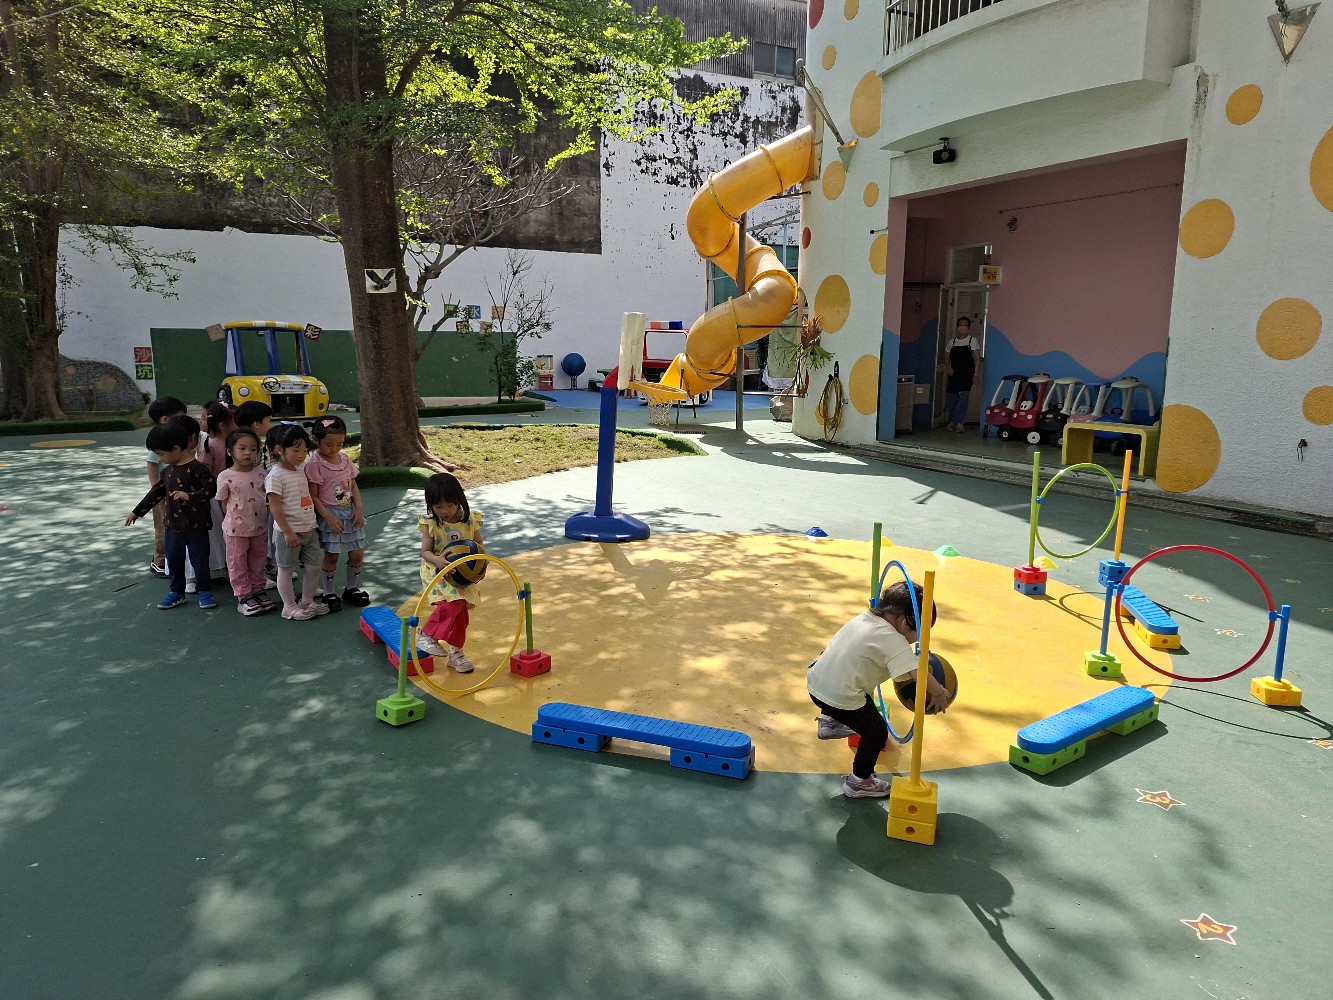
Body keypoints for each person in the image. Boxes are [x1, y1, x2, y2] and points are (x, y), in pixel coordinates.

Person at [807, 581, 952, 798]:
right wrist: (939, 692)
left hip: (816, 684)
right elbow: (918, 674)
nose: (919, 639)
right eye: (921, 632)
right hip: (840, 697)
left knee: (852, 681)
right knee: (876, 733)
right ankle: (860, 782)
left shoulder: (863, 619)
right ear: (904, 622)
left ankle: (830, 722)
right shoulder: (894, 641)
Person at [125, 420, 218, 610]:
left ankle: (204, 591)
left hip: (197, 526)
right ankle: (176, 592)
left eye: (161, 454)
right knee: (174, 559)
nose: (161, 458)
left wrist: (190, 496)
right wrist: (137, 511)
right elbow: (156, 492)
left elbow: (211, 489)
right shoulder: (167, 471)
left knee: (200, 559)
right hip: (173, 526)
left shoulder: (198, 468)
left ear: (176, 449)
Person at [416, 472, 484, 673]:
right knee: (452, 603)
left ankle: (456, 653)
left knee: (461, 613)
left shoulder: (470, 520)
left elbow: (479, 546)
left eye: (449, 505)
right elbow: (425, 552)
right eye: (438, 507)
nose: (444, 511)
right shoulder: (431, 523)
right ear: (431, 505)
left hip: (463, 573)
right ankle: (427, 634)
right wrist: (438, 560)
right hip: (437, 571)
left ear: (459, 500)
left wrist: (480, 568)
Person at [304, 416, 370, 612]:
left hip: (349, 513)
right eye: (329, 444)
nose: (334, 449)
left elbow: (353, 485)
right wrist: (328, 517)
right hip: (330, 514)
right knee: (332, 555)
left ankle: (351, 588)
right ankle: (329, 592)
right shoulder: (314, 463)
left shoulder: (345, 459)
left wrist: (359, 508)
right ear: (316, 440)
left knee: (357, 552)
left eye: (339, 444)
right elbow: (313, 495)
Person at [265, 423, 328, 621]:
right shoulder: (275, 476)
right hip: (289, 532)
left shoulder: (299, 471)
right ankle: (289, 607)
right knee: (286, 569)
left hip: (309, 528)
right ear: (279, 450)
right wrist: (287, 532)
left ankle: (307, 601)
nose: (301, 455)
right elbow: (275, 507)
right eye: (295, 450)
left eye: (305, 450)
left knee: (314, 566)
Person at [215, 428, 274, 617]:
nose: (248, 453)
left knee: (258, 560)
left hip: (259, 528)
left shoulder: (262, 474)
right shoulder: (225, 476)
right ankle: (244, 595)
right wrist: (235, 520)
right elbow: (224, 503)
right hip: (235, 530)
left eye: (253, 449)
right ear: (230, 451)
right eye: (242, 448)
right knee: (237, 562)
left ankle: (258, 590)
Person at [143, 395, 187, 576]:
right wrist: (157, 490)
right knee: (163, 525)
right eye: (180, 418)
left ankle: (173, 558)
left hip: (175, 488)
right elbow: (151, 464)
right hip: (162, 492)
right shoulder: (161, 438)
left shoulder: (173, 436)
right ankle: (159, 560)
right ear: (165, 420)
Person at [196, 402, 234, 586]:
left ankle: (231, 567)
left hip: (235, 493)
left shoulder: (235, 443)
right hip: (219, 497)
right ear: (223, 425)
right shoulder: (211, 446)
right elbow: (205, 473)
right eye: (234, 421)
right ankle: (226, 568)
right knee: (224, 531)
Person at [944, 316, 981, 432]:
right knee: (952, 398)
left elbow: (977, 359)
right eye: (961, 325)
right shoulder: (952, 342)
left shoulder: (972, 341)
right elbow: (946, 357)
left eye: (965, 325)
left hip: (967, 373)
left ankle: (959, 422)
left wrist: (976, 374)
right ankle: (951, 421)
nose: (963, 327)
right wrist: (948, 368)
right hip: (954, 374)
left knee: (964, 397)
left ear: (968, 328)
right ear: (957, 327)